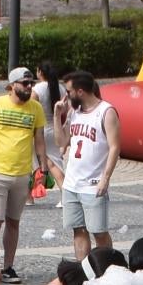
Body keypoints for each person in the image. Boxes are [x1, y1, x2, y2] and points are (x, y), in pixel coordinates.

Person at [0, 65, 50, 275]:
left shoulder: (35, 108)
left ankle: (8, 266)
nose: (29, 87)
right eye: (24, 83)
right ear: (11, 86)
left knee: (13, 222)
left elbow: (40, 141)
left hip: (22, 174)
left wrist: (43, 169)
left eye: (31, 84)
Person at [56, 68, 120, 258]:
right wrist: (56, 116)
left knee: (99, 232)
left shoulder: (106, 112)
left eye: (68, 92)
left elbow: (115, 147)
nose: (66, 96)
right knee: (78, 230)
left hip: (93, 184)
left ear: (80, 91)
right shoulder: (73, 112)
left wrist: (105, 178)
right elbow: (61, 142)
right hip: (71, 184)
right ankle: (82, 271)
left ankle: (107, 267)